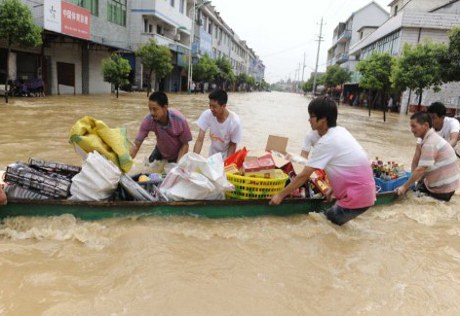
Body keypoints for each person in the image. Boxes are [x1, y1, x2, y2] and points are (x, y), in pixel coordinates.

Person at [270, 97, 376, 226]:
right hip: (365, 193)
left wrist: (280, 195)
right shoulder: (341, 132)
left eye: (312, 116)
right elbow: (343, 164)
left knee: (323, 225)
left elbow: (304, 175)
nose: (309, 119)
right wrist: (333, 188)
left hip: (356, 198)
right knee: (328, 225)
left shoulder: (327, 141)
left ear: (323, 119)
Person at [396, 112, 459, 202]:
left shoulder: (430, 143)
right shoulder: (430, 138)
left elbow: (421, 169)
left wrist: (404, 187)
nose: (411, 130)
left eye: (414, 126)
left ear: (425, 125)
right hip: (450, 186)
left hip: (443, 190)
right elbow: (417, 160)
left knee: (410, 201)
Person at [130, 91, 192, 163]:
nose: (152, 113)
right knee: (148, 170)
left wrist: (178, 166)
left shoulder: (179, 120)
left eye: (155, 109)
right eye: (150, 109)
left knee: (175, 171)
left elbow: (185, 145)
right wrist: (125, 162)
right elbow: (136, 144)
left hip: (177, 154)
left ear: (165, 107)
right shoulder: (148, 120)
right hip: (160, 151)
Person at [193, 89, 242, 158]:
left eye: (214, 106)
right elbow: (200, 139)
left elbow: (233, 145)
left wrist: (226, 165)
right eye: (210, 105)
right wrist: (194, 159)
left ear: (223, 106)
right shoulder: (207, 114)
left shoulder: (234, 122)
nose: (211, 109)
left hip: (226, 155)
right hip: (212, 156)